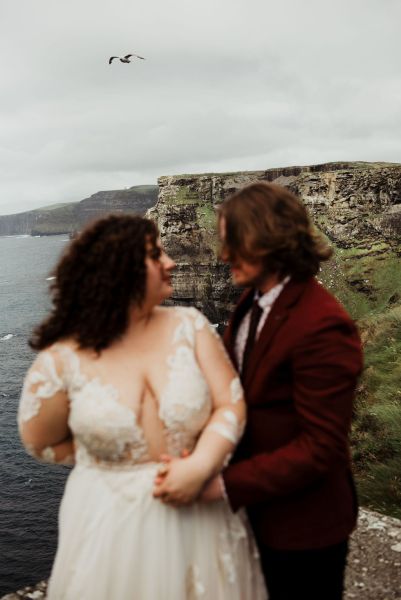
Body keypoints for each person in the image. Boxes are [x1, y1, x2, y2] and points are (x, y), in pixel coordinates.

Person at [18, 215, 267, 599]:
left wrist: (199, 465)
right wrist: (112, 462)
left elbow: (230, 403)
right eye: (156, 255)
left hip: (199, 514)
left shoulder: (191, 324)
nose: (171, 263)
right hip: (109, 519)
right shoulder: (62, 358)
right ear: (122, 270)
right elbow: (40, 441)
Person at [154, 182, 363, 600]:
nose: (222, 254)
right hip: (257, 514)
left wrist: (221, 485)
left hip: (304, 529)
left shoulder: (322, 326)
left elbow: (319, 448)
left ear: (267, 238)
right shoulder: (253, 302)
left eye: (232, 241)